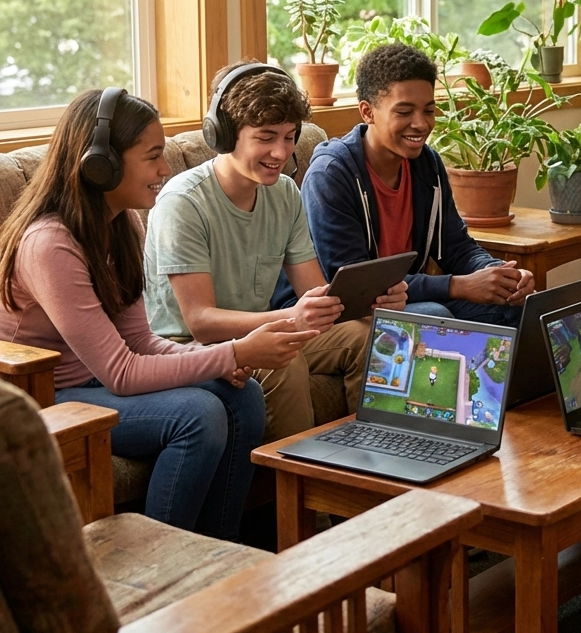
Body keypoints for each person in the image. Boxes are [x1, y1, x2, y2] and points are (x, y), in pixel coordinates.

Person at [0, 89, 306, 539]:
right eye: (153, 157)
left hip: (95, 381)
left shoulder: (123, 222)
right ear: (100, 163)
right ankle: (160, 563)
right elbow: (122, 372)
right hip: (41, 397)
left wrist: (227, 360)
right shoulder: (50, 244)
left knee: (243, 395)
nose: (165, 170)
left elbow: (141, 342)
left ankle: (219, 549)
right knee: (197, 415)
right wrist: (233, 352)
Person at [143, 61, 374, 442]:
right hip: (190, 348)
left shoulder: (284, 192)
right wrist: (291, 318)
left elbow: (313, 293)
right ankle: (302, 495)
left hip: (265, 329)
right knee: (285, 363)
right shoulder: (183, 202)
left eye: (288, 136)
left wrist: (366, 300)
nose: (280, 151)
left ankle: (374, 466)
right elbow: (199, 320)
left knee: (365, 336)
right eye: (266, 137)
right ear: (224, 135)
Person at [294, 42, 535, 326]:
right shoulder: (332, 175)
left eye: (429, 110)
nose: (421, 124)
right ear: (367, 112)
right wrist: (456, 286)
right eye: (404, 112)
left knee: (521, 307)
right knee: (434, 315)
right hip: (348, 313)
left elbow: (456, 247)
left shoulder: (426, 164)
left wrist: (499, 273)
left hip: (407, 299)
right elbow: (355, 283)